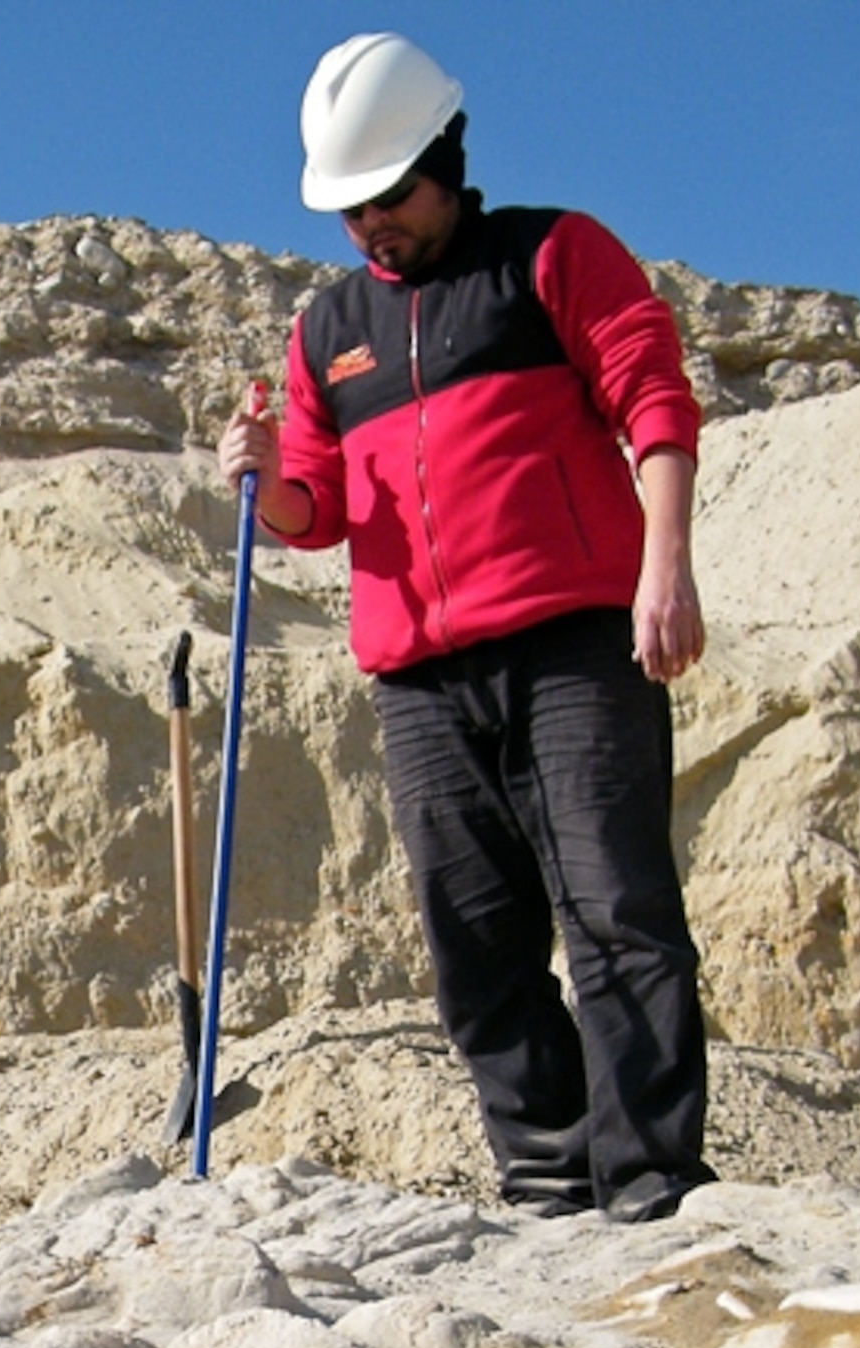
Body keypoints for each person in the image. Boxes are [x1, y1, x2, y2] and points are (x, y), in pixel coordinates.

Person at [215, 31, 715, 1223]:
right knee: (477, 950)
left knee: (619, 917)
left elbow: (654, 396)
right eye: (348, 208)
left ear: (446, 158)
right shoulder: (325, 327)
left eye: (389, 195)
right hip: (422, 687)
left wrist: (667, 568)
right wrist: (259, 477)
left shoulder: (553, 256)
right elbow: (315, 508)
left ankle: (651, 1186)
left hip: (575, 648)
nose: (370, 225)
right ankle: (549, 1179)